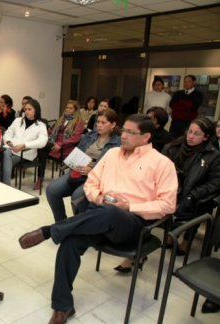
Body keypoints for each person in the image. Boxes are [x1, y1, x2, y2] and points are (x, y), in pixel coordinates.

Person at [18, 114, 177, 324]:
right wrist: (99, 196)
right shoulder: (111, 154)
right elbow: (91, 182)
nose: (124, 136)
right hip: (100, 216)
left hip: (132, 224)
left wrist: (128, 206)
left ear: (146, 136)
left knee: (112, 212)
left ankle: (49, 231)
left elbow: (167, 205)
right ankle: (63, 306)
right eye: (124, 130)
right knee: (70, 243)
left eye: (131, 132)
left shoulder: (161, 163)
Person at [114, 117, 220, 273]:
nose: (191, 136)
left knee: (192, 205)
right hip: (165, 192)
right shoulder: (172, 147)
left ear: (206, 137)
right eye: (189, 131)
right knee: (142, 211)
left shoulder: (213, 156)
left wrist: (193, 194)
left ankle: (185, 238)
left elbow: (214, 183)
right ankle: (136, 254)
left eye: (197, 134)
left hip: (190, 198)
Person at [46, 109, 121, 222]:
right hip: (78, 170)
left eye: (103, 123)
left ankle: (79, 226)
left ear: (113, 124)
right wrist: (73, 161)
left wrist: (91, 170)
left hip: (96, 177)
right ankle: (61, 223)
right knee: (51, 190)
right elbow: (79, 151)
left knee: (77, 197)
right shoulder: (90, 135)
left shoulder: (118, 143)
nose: (99, 125)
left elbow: (113, 168)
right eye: (98, 122)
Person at [39, 100, 84, 190]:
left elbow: (75, 138)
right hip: (54, 144)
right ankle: (40, 177)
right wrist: (45, 137)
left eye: (70, 108)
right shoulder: (61, 119)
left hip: (66, 148)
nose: (67, 110)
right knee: (42, 147)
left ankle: (40, 178)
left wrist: (61, 143)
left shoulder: (78, 122)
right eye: (67, 107)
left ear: (75, 110)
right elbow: (51, 130)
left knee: (43, 147)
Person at [2, 98, 47, 186]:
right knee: (6, 153)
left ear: (36, 110)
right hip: (11, 148)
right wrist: (8, 141)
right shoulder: (18, 120)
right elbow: (8, 133)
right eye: (25, 109)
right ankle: (6, 185)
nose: (26, 111)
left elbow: (42, 142)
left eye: (29, 109)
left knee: (4, 161)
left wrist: (24, 145)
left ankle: (4, 186)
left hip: (26, 153)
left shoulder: (41, 125)